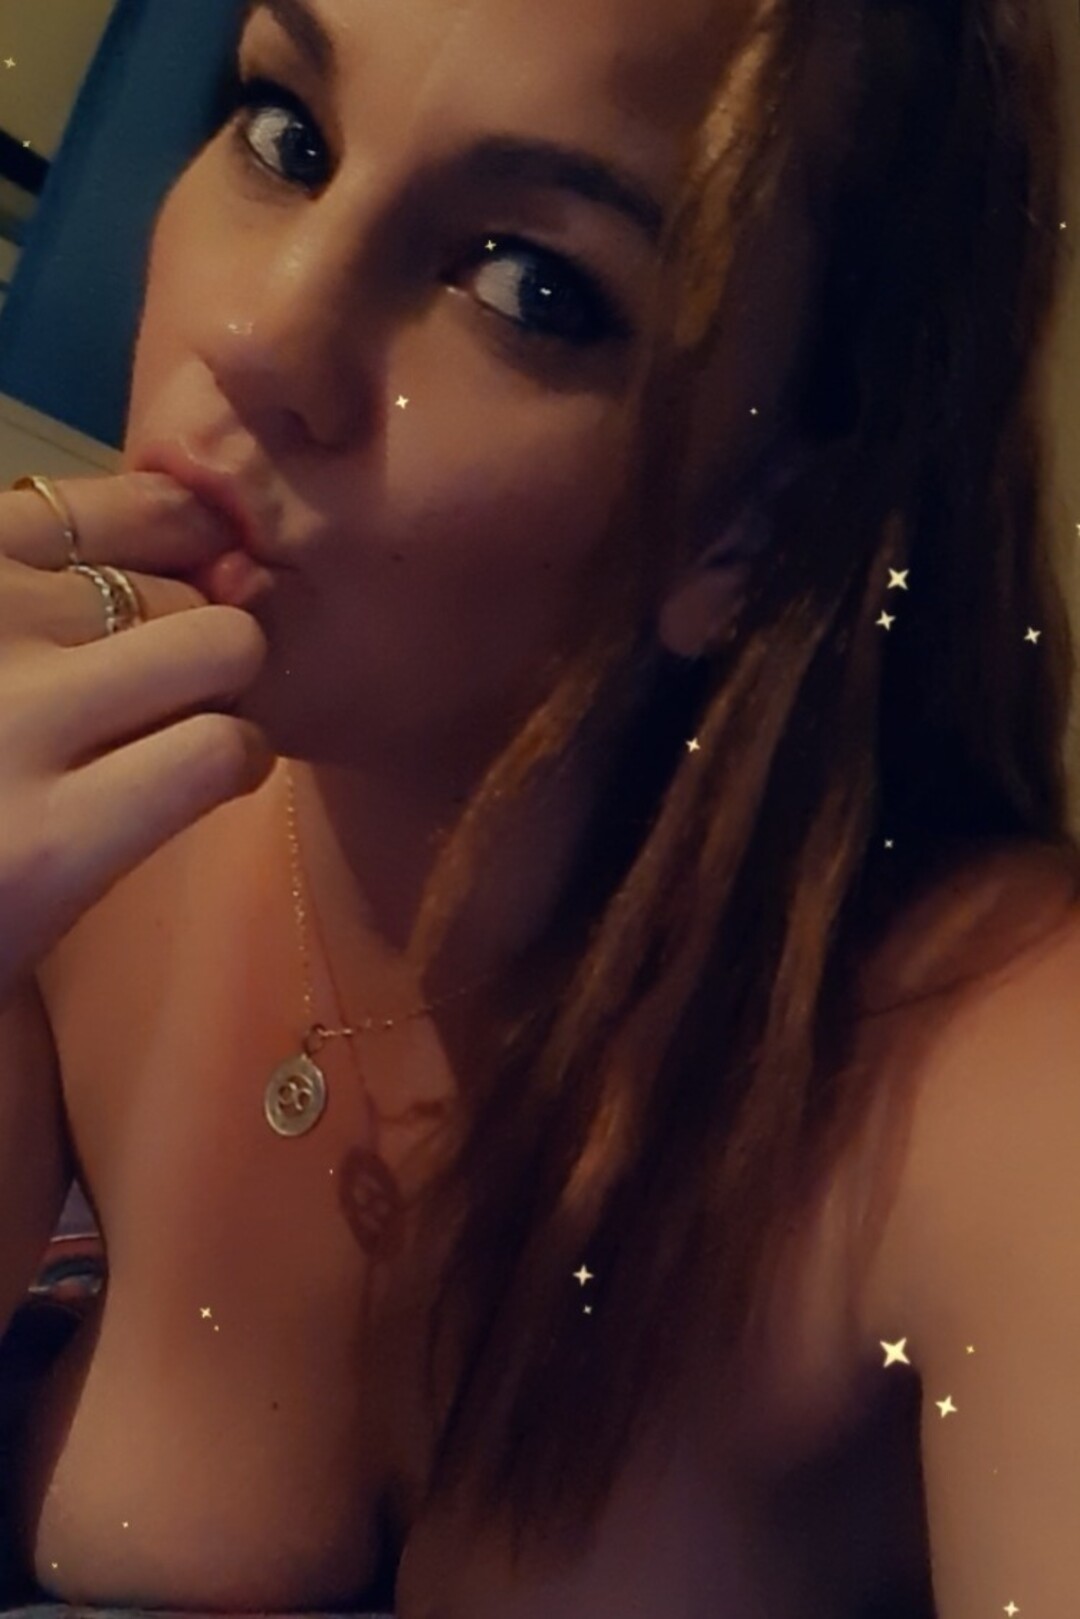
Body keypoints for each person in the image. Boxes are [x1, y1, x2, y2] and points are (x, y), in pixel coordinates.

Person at [0, 0, 1078, 1612]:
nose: (260, 334)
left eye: (528, 283)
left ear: (758, 524)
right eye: (289, 137)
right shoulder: (65, 827)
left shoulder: (980, 1060)